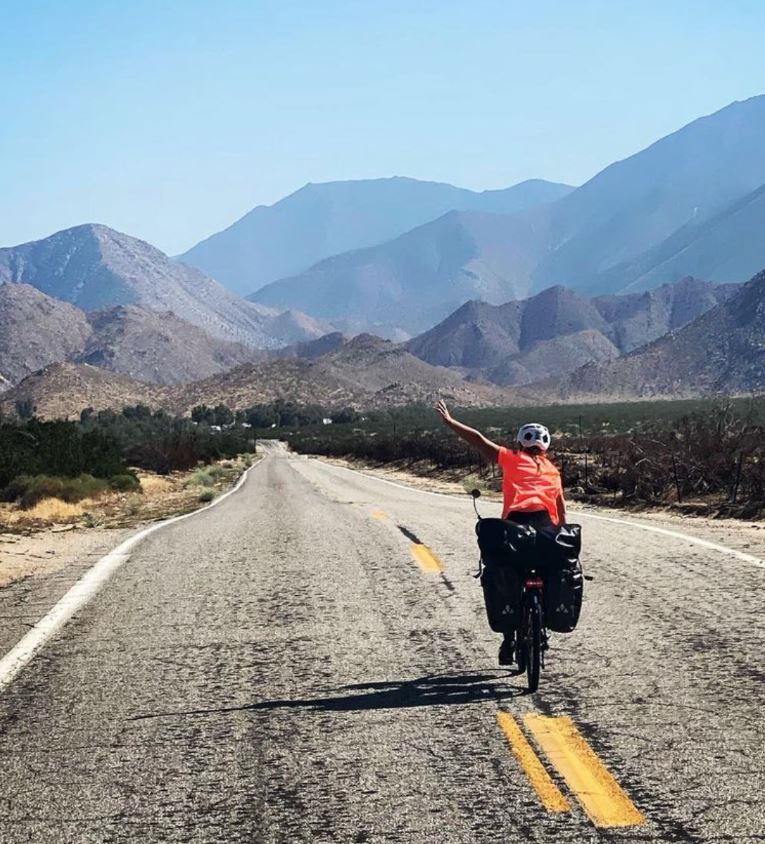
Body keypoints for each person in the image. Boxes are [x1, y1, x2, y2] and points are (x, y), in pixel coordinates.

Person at [436, 400, 567, 664]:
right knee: (547, 569)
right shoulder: (553, 471)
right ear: (546, 447)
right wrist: (560, 533)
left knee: (508, 575)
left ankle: (509, 639)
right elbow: (561, 508)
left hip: (515, 526)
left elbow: (478, 439)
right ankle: (541, 617)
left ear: (521, 443)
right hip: (545, 528)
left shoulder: (511, 457)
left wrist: (450, 422)